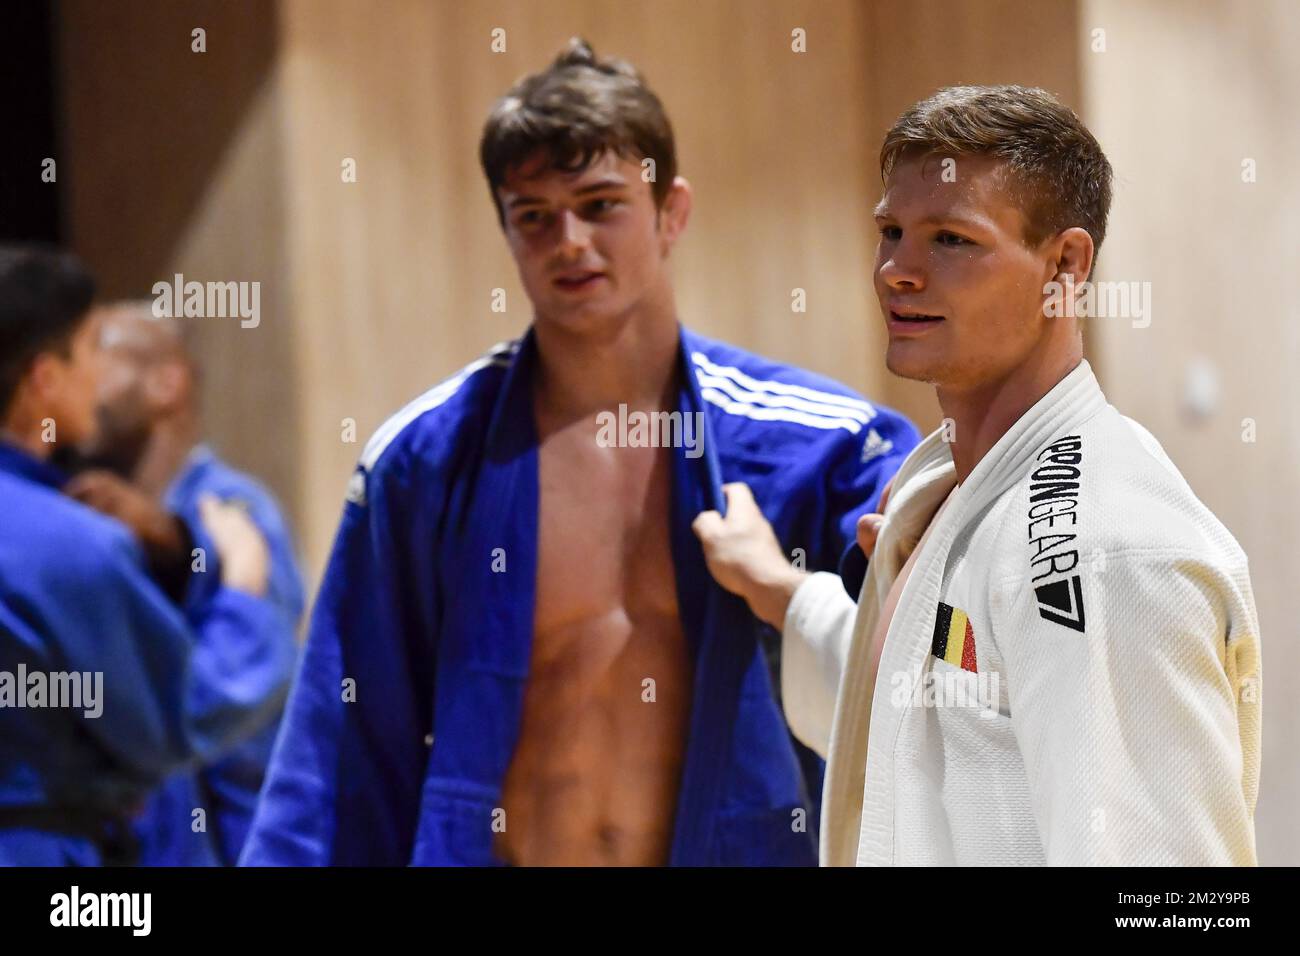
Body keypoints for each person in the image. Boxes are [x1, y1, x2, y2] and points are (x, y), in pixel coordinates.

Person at [242, 38, 919, 866]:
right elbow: (339, 748)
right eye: (534, 215)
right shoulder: (425, 459)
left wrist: (785, 591)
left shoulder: (823, 447)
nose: (568, 241)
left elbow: (934, 689)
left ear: (671, 211)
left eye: (601, 204)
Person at [694, 86, 1262, 866]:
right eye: (891, 232)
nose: (897, 270)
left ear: (1063, 265)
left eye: (952, 240)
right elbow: (915, 728)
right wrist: (778, 587)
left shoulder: (1109, 552)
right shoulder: (955, 492)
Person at [0, 245, 296, 866]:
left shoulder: (231, 506)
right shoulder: (72, 536)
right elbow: (193, 711)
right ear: (42, 377)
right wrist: (240, 578)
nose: (96, 377)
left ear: (169, 383)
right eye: (88, 350)